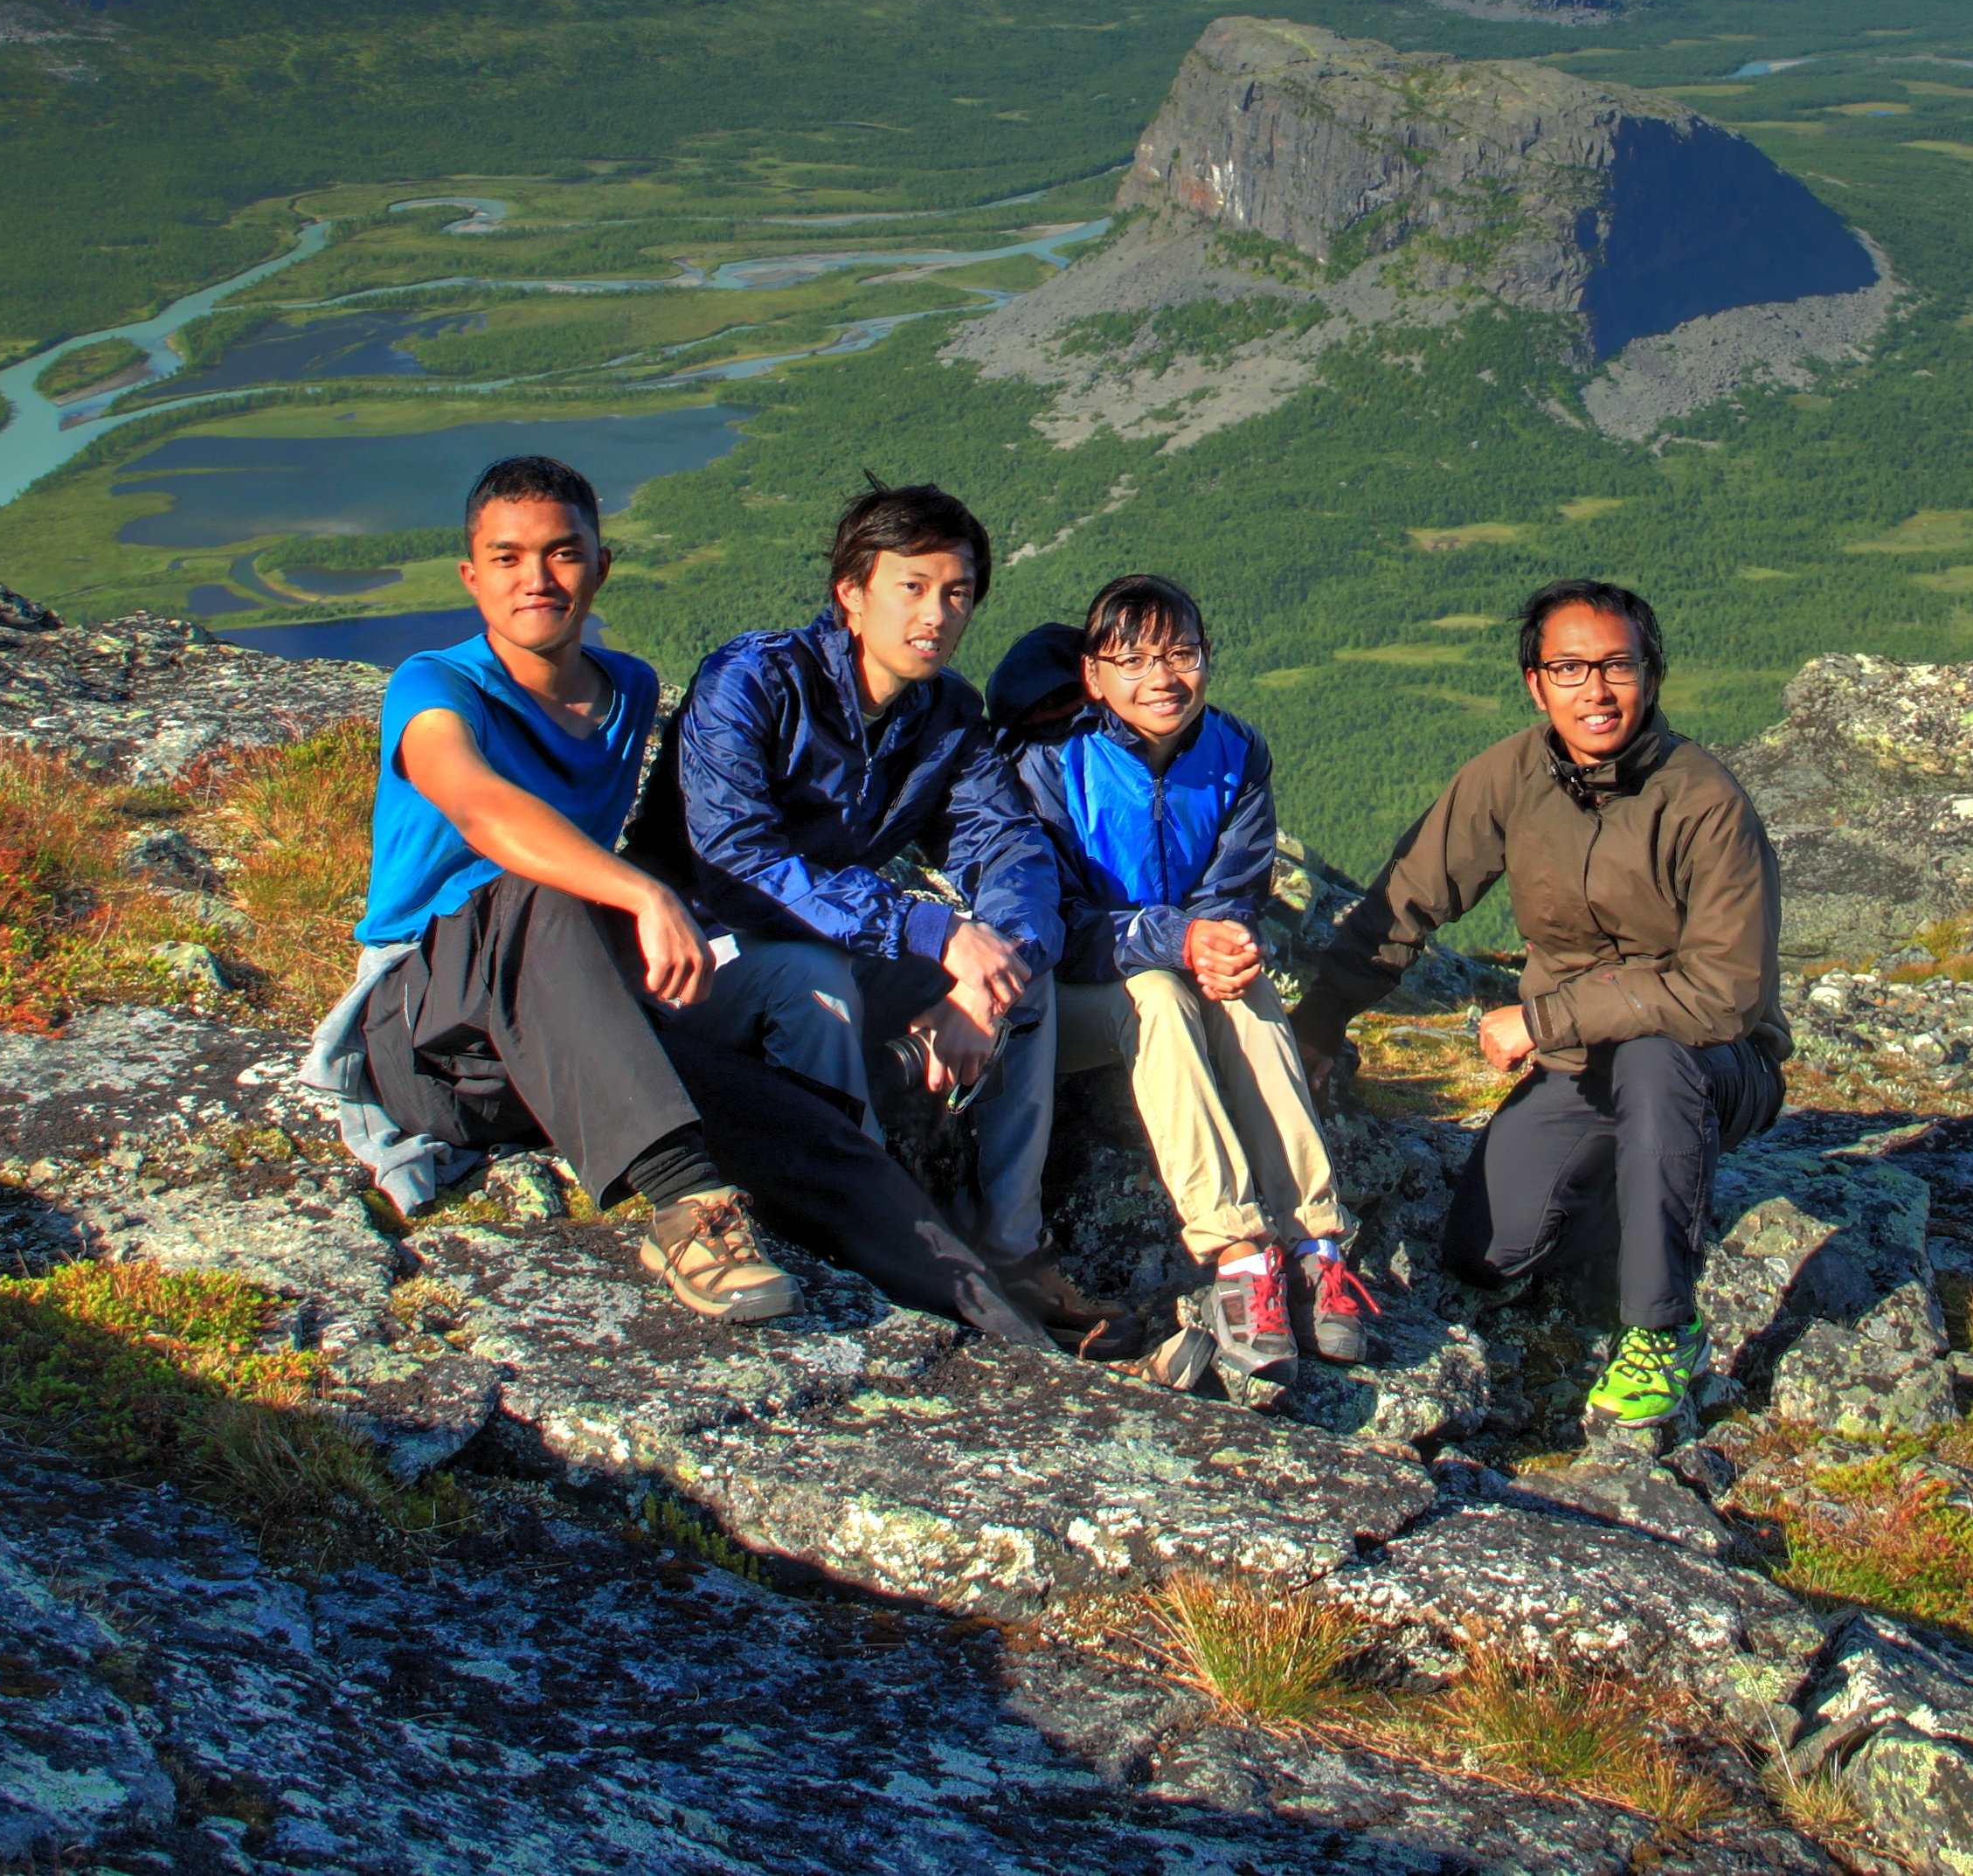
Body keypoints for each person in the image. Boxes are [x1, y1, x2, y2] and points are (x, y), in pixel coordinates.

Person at [299, 453, 1048, 1355]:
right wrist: (638, 889)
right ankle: (687, 1206)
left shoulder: (626, 695)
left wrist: (964, 972)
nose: (537, 578)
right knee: (540, 891)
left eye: (563, 554)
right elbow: (478, 803)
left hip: (584, 1026)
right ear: (471, 575)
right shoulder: (436, 686)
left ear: (600, 566)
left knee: (818, 1110)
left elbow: (1007, 847)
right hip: (431, 1030)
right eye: (507, 557)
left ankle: (1009, 1331)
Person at [1288, 578, 1787, 1430]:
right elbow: (1409, 896)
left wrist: (1547, 1019)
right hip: (1578, 1068)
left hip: (1715, 1060)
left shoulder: (1704, 802)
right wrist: (1322, 1017)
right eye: (1568, 668)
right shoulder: (1513, 776)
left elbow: (1723, 994)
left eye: (1616, 666)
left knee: (1653, 1061)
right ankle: (1650, 1180)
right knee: (1487, 1253)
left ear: (1650, 675)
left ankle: (1664, 1329)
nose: (1594, 689)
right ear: (1534, 683)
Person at [627, 480, 1114, 1342]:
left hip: (829, 946)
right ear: (851, 593)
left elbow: (1010, 850)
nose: (936, 613)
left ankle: (1008, 1250)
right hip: (698, 966)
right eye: (911, 586)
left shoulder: (944, 715)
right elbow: (740, 860)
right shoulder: (753, 682)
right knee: (813, 983)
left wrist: (983, 980)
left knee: (1016, 978)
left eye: (957, 592)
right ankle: (879, 1242)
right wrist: (927, 929)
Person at [994, 575, 1381, 1379]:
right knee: (1162, 995)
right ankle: (1238, 1259)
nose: (1161, 678)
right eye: (1130, 659)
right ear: (1091, 677)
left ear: (1209, 659)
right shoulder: (1050, 765)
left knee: (1248, 993)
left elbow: (1234, 894)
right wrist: (1178, 938)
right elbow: (1049, 925)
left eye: (1180, 654)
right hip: (1074, 997)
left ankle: (1314, 1243)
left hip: (1184, 968)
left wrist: (1223, 941)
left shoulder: (1236, 753)